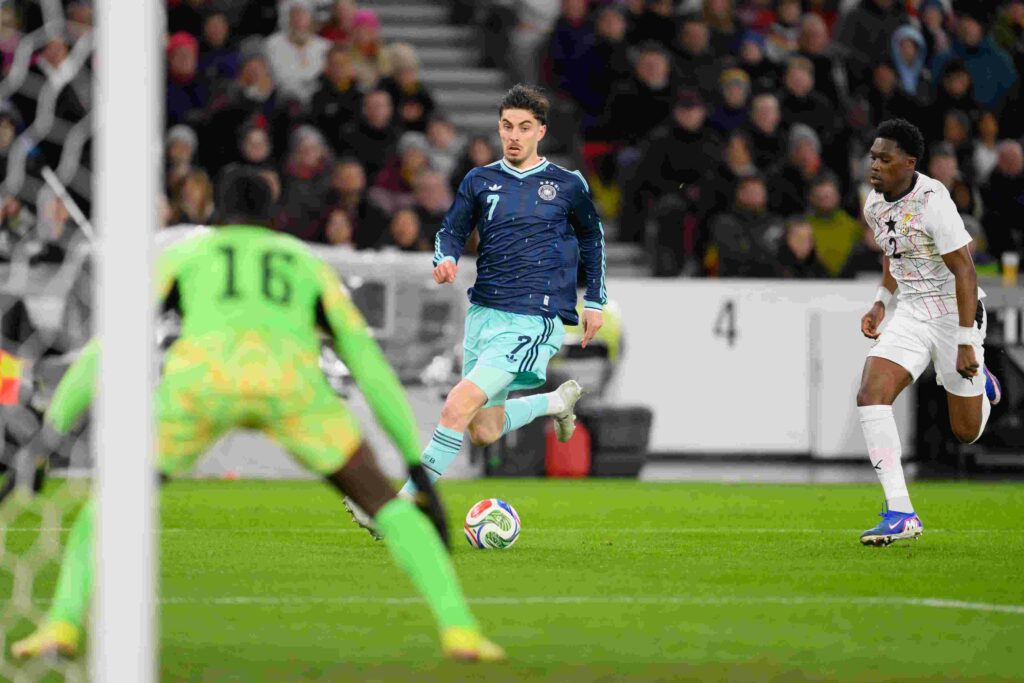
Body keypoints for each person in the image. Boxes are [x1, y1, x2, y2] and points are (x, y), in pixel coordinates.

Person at [10, 169, 504, 662]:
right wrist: (414, 462)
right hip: (290, 388)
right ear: (273, 216)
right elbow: (368, 364)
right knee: (388, 506)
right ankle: (460, 630)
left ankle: (61, 625)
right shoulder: (303, 263)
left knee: (112, 508)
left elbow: (110, 344)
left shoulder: (188, 254)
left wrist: (49, 432)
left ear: (214, 213)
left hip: (202, 386)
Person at [399, 84, 606, 497]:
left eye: (524, 127)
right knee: (483, 429)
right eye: (507, 126)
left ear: (540, 132)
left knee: (457, 404)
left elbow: (593, 239)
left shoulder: (567, 184)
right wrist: (446, 258)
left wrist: (595, 301)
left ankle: (401, 504)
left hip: (533, 318)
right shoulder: (480, 179)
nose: (514, 135)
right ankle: (553, 403)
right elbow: (451, 230)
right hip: (484, 314)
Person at [856, 119, 1001, 547]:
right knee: (870, 395)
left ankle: (982, 384)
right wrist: (882, 299)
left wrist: (964, 341)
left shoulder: (933, 200)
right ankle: (901, 512)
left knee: (965, 432)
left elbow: (965, 271)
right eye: (872, 158)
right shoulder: (874, 205)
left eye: (885, 159)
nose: (875, 166)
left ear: (909, 162)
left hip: (955, 312)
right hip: (912, 314)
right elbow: (893, 251)